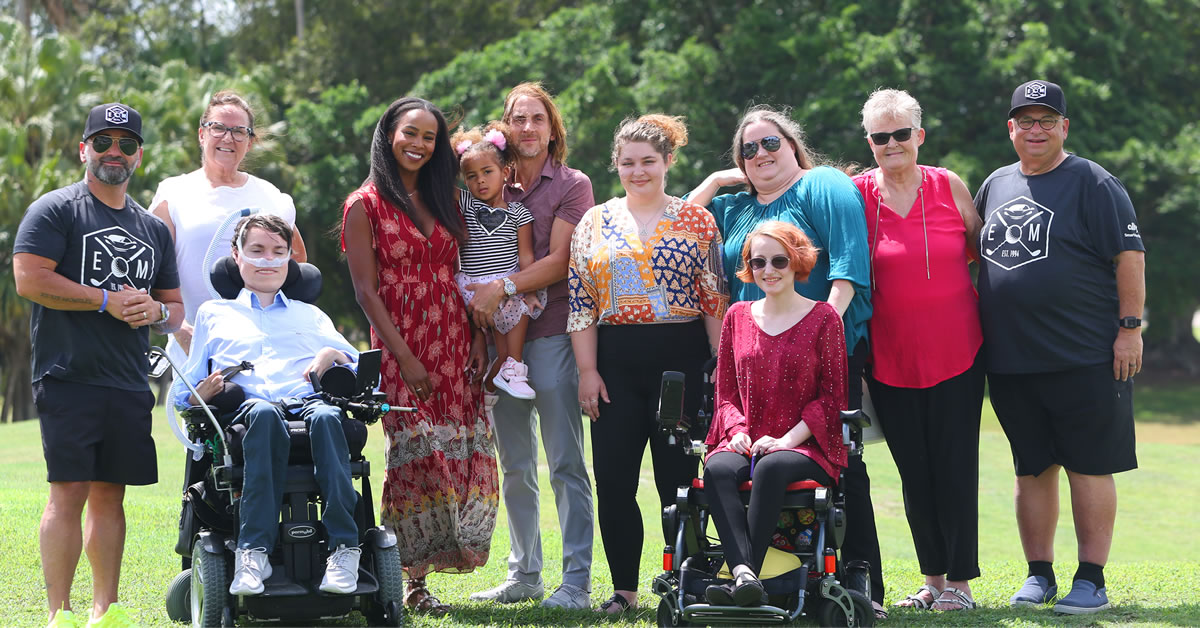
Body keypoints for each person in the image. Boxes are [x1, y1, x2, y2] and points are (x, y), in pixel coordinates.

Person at [688, 105, 886, 617]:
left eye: (771, 143)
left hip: (822, 351)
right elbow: (675, 226)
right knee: (729, 464)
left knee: (843, 467)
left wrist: (815, 332)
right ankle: (753, 576)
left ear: (794, 146)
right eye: (748, 149)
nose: (760, 155)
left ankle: (861, 578)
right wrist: (713, 179)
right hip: (752, 352)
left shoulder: (823, 184)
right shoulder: (734, 209)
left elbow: (847, 273)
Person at [975, 80, 1145, 615]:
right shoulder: (995, 185)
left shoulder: (1093, 182)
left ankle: (1091, 579)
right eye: (1025, 120)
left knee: (1089, 465)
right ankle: (1039, 574)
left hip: (1085, 355)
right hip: (1011, 359)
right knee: (1031, 469)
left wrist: (1130, 328)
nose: (1036, 129)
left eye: (1047, 120)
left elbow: (1129, 257)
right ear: (1011, 129)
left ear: (1064, 127)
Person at [14, 102, 183, 628]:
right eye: (104, 142)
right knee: (68, 493)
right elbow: (30, 279)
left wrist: (155, 311)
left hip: (130, 381)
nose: (115, 152)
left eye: (127, 144)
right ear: (84, 149)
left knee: (112, 497)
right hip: (68, 374)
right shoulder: (56, 209)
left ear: (138, 155)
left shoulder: (153, 230)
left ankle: (104, 612)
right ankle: (58, 614)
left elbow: (174, 308)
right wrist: (105, 300)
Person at [341, 97, 498, 616]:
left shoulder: (449, 200)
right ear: (389, 134)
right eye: (411, 133)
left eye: (430, 138)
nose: (419, 144)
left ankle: (429, 570)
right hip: (400, 342)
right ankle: (407, 577)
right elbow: (365, 291)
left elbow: (467, 272)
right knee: (415, 457)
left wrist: (478, 337)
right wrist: (403, 358)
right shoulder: (364, 204)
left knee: (462, 455)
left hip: (455, 339)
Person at [568, 114, 728, 614]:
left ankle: (682, 581)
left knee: (676, 479)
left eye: (649, 162)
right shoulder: (593, 221)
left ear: (668, 163)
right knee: (614, 479)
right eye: (628, 162)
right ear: (616, 164)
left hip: (680, 360)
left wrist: (720, 367)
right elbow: (581, 304)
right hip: (613, 362)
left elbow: (714, 301)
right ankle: (623, 589)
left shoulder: (697, 220)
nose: (638, 171)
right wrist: (588, 371)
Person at [850, 88, 986, 612]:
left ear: (918, 136)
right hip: (889, 360)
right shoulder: (855, 194)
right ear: (870, 142)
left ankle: (962, 586)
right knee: (914, 471)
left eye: (901, 134)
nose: (891, 144)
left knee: (955, 467)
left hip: (960, 354)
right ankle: (932, 582)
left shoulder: (949, 185)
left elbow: (984, 253)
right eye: (881, 137)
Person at [175, 215, 361, 597]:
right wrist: (203, 393)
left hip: (309, 405)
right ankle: (252, 551)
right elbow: (184, 393)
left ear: (290, 258)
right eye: (256, 250)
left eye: (278, 252)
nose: (268, 261)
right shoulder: (214, 314)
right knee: (262, 414)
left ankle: (345, 549)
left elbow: (357, 363)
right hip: (252, 411)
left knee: (328, 416)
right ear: (236, 255)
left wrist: (331, 353)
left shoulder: (310, 314)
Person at [464, 82, 595, 610]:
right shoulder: (483, 178)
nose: (527, 128)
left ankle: (576, 583)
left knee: (564, 462)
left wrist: (507, 286)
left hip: (554, 334)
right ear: (506, 127)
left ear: (551, 127)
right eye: (518, 119)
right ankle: (525, 575)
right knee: (515, 464)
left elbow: (562, 259)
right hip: (497, 344)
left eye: (537, 118)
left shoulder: (572, 184)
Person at [702, 221, 847, 607]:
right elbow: (726, 393)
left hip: (805, 446)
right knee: (716, 468)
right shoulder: (736, 316)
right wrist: (734, 430)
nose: (769, 270)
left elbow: (832, 399)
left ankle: (741, 581)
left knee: (771, 465)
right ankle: (746, 575)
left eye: (779, 260)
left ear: (796, 261)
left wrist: (785, 440)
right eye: (758, 261)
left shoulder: (824, 318)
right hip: (747, 438)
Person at [149, 90, 307, 365]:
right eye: (218, 128)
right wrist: (180, 331)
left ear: (250, 142)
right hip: (195, 345)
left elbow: (297, 263)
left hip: (265, 347)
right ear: (202, 134)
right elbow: (153, 270)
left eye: (238, 131)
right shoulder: (172, 192)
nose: (227, 138)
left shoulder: (271, 196)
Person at [449, 121, 545, 401]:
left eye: (487, 172)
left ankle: (495, 383)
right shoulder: (467, 203)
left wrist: (529, 289)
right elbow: (441, 181)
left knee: (505, 347)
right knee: (502, 345)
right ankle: (513, 369)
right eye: (471, 175)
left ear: (505, 173)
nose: (479, 180)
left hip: (507, 283)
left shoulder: (519, 212)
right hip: (474, 286)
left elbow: (526, 255)